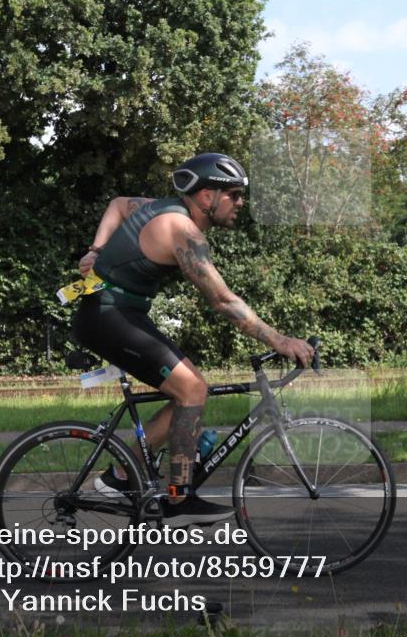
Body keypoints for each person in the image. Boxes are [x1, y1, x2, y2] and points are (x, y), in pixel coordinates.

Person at [71, 153, 315, 527]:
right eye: (233, 194)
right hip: (108, 315)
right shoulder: (183, 231)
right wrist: (280, 341)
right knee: (192, 390)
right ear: (205, 197)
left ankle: (121, 475)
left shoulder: (162, 208)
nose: (240, 203)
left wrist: (96, 250)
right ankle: (176, 498)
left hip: (116, 312)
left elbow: (119, 206)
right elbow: (222, 300)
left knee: (190, 392)